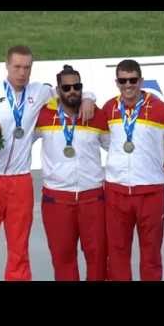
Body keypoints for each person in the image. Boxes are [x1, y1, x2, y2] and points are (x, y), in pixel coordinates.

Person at [0, 46, 96, 281]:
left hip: (20, 180)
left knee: (19, 248)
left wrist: (88, 97)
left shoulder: (40, 92)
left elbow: (68, 92)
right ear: (7, 66)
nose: (22, 72)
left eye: (27, 67)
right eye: (17, 67)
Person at [102, 59, 164, 281]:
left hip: (150, 192)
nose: (128, 85)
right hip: (116, 191)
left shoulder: (158, 108)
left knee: (151, 254)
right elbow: (101, 138)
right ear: (116, 82)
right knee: (117, 253)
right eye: (123, 80)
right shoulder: (109, 108)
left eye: (132, 80)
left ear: (141, 80)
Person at [34, 65, 109, 281]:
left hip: (93, 198)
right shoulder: (44, 115)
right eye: (66, 87)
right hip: (57, 200)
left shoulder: (96, 115)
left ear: (82, 88)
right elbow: (18, 141)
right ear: (58, 91)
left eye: (77, 87)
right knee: (62, 259)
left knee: (98, 258)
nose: (72, 91)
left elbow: (116, 147)